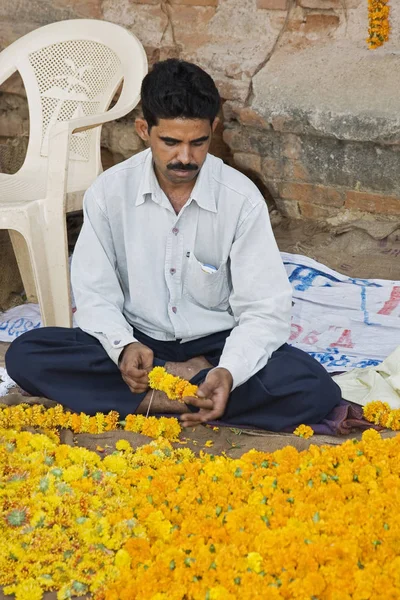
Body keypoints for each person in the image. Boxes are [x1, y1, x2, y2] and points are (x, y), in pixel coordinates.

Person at [5, 59, 341, 431]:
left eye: (198, 142)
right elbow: (95, 293)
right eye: (171, 142)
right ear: (143, 130)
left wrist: (228, 370)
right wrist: (122, 346)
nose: (185, 157)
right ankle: (175, 399)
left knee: (313, 387)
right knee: (28, 353)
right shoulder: (109, 191)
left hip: (215, 348)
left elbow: (265, 308)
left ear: (213, 129)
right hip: (141, 345)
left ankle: (176, 395)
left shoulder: (241, 199)